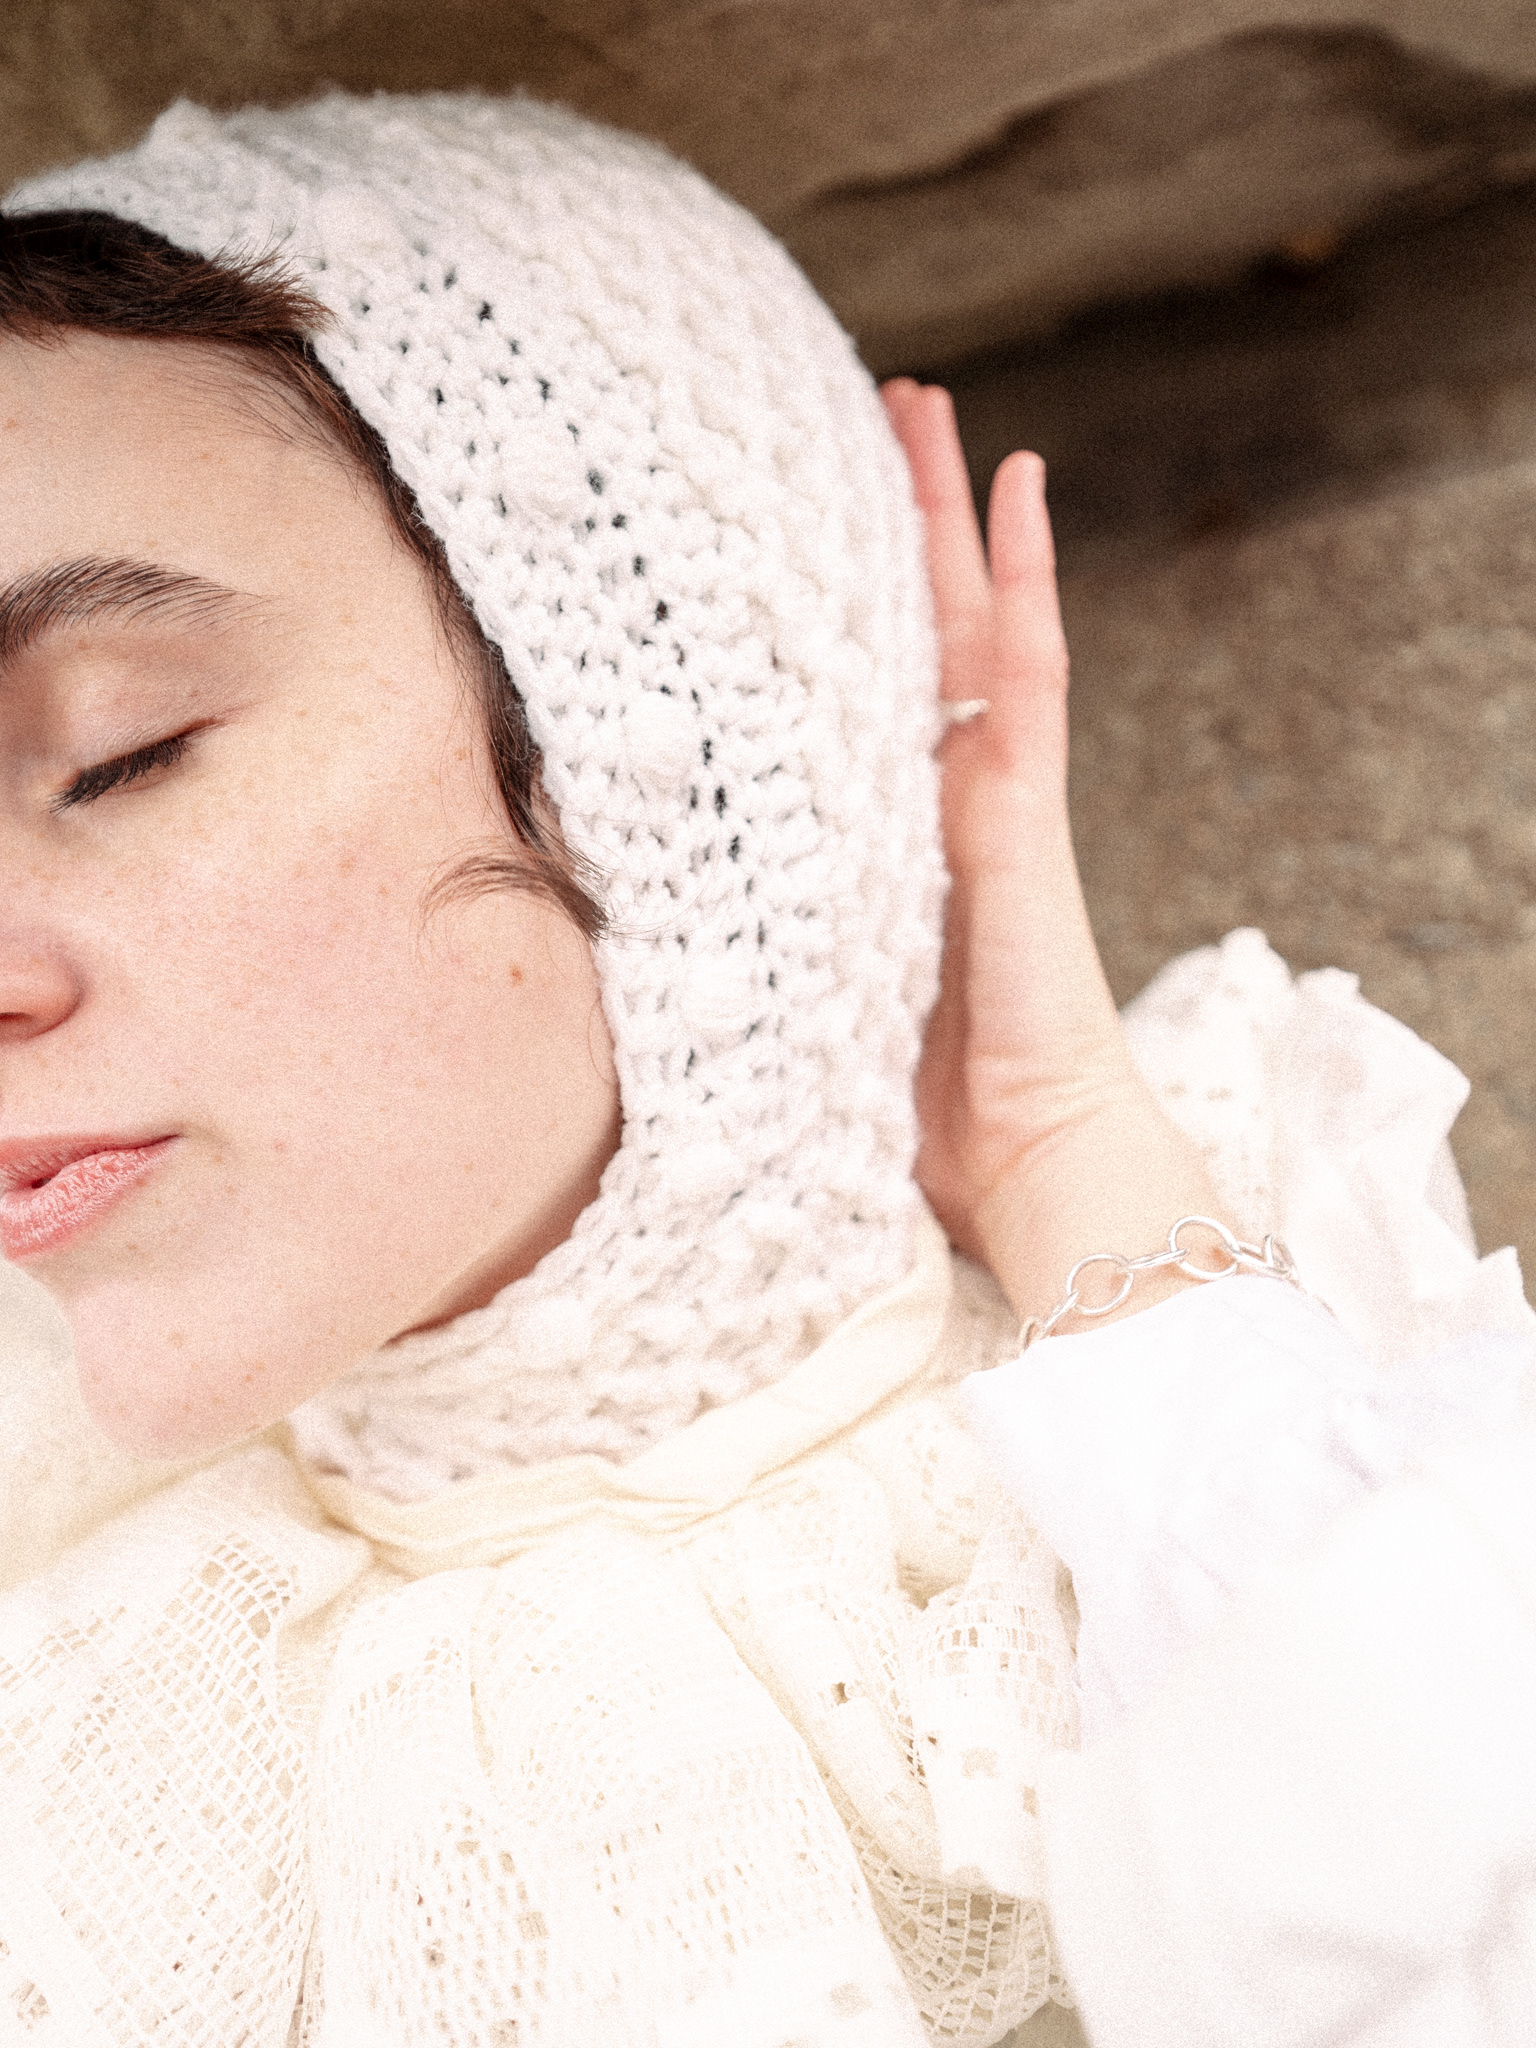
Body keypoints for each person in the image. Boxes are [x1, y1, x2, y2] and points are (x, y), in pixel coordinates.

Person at [0, 90, 1530, 2048]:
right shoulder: (89, 1693)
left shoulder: (1131, 1582)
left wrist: (1064, 1154)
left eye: (114, 753)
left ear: (676, 733)